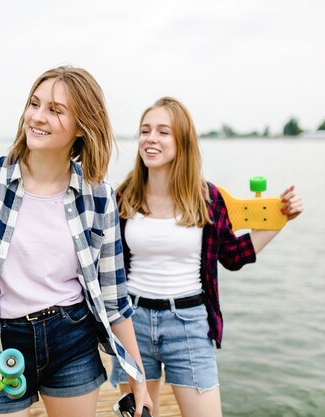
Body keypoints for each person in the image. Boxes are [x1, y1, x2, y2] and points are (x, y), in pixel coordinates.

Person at [0, 66, 152, 417]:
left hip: (72, 338)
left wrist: (137, 378)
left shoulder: (99, 197)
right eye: (34, 104)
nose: (37, 116)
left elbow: (114, 299)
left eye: (55, 110)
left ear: (82, 126)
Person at [110, 97, 304, 417]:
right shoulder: (124, 195)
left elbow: (233, 256)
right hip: (133, 323)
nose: (151, 138)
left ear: (182, 141)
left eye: (163, 131)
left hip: (187, 323)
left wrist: (281, 220)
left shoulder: (207, 197)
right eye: (145, 131)